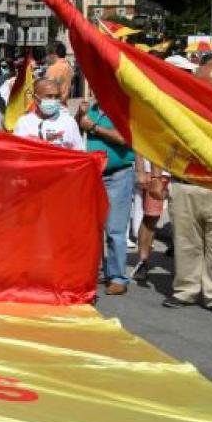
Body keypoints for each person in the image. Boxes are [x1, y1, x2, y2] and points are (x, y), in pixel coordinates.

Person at [163, 61, 212, 318]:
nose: (211, 92)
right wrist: (157, 177)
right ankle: (186, 290)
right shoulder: (181, 110)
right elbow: (166, 143)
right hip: (186, 185)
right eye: (205, 87)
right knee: (186, 243)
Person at [77, 100, 136, 295]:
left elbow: (124, 138)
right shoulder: (90, 109)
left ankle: (117, 276)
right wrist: (80, 116)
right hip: (92, 174)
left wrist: (93, 126)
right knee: (90, 228)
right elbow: (79, 133)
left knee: (115, 229)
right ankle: (90, 272)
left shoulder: (122, 109)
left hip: (118, 175)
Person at [12, 79, 84, 150]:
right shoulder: (24, 123)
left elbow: (79, 151)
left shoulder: (69, 122)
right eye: (49, 96)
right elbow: (18, 152)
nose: (53, 100)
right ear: (36, 99)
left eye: (57, 96)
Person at [130, 157, 168, 285]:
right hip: (153, 174)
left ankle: (143, 260)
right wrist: (140, 170)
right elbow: (140, 143)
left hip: (170, 172)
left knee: (154, 218)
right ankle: (142, 262)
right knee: (150, 217)